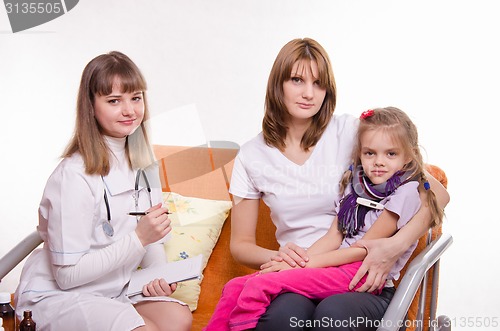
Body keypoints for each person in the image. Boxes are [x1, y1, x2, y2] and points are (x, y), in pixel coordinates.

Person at [225, 38, 450, 331]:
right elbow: (240, 245)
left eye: (319, 84)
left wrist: (394, 245)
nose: (309, 93)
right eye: (297, 80)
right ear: (277, 84)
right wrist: (281, 259)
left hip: (360, 270)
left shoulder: (352, 132)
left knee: (335, 316)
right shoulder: (252, 155)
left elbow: (438, 195)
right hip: (299, 273)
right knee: (282, 320)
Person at [204, 107, 444, 331]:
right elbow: (333, 236)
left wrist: (305, 265)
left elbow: (364, 250)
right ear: (360, 154)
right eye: (370, 153)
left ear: (408, 157)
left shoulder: (406, 191)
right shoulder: (356, 186)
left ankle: (243, 324)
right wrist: (296, 262)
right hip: (333, 264)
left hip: (360, 271)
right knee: (234, 287)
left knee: (261, 286)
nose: (379, 161)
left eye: (391, 154)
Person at [14, 51, 192, 331]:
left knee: (178, 318)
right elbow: (67, 277)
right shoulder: (72, 176)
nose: (129, 111)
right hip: (61, 296)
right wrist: (138, 238)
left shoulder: (146, 165)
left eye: (136, 97)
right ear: (90, 106)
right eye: (113, 101)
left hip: (115, 290)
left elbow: (153, 240)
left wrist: (158, 277)